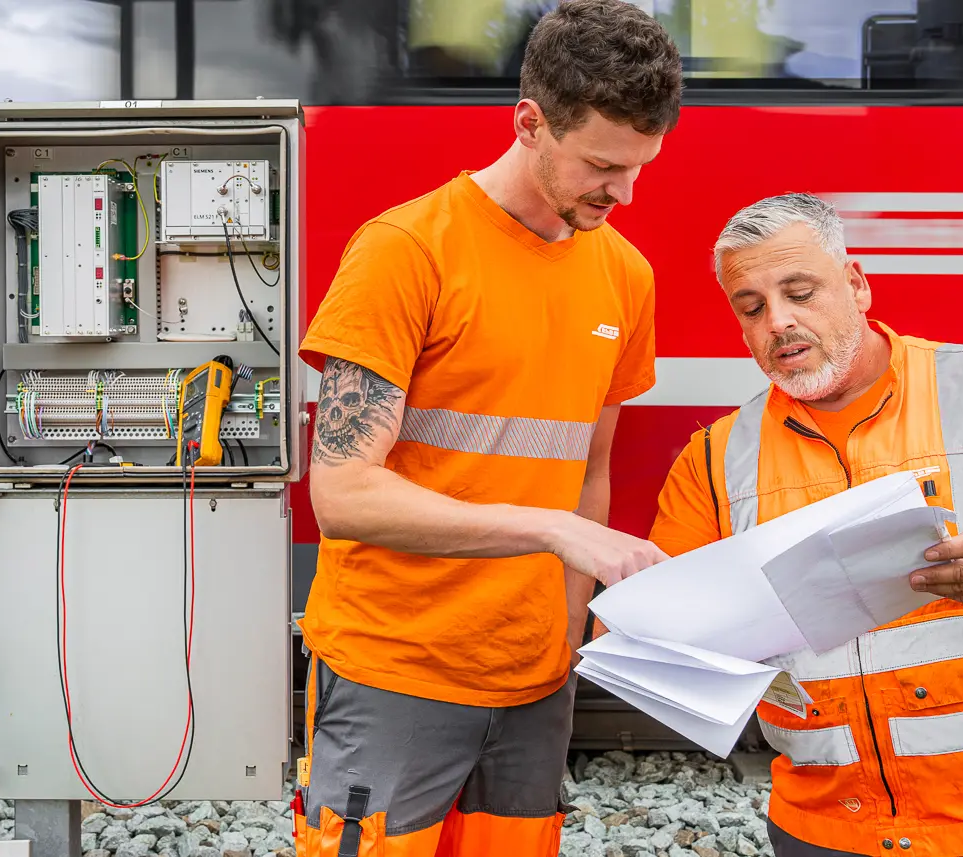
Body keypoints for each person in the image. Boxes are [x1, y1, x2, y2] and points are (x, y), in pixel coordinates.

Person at [648, 193, 963, 857]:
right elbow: (654, 635)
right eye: (750, 307)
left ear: (858, 284)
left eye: (800, 292)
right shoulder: (717, 457)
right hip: (828, 832)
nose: (778, 322)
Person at [288, 1, 683, 853]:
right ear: (529, 123)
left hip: (536, 682)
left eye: (641, 166)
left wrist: (567, 644)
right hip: (396, 668)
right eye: (602, 165)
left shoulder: (626, 276)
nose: (624, 191)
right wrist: (550, 530)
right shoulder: (405, 250)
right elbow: (343, 494)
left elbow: (588, 473)